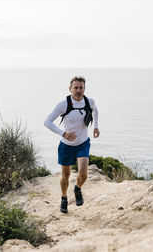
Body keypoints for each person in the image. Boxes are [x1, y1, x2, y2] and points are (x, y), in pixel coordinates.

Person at [44, 76, 100, 213]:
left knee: (83, 173)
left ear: (84, 89)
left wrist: (96, 127)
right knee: (66, 175)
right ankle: (64, 198)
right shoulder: (63, 104)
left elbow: (95, 110)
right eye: (75, 88)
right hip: (66, 145)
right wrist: (63, 133)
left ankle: (78, 189)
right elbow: (47, 122)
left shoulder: (89, 101)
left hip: (83, 143)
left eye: (81, 88)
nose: (78, 90)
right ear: (70, 89)